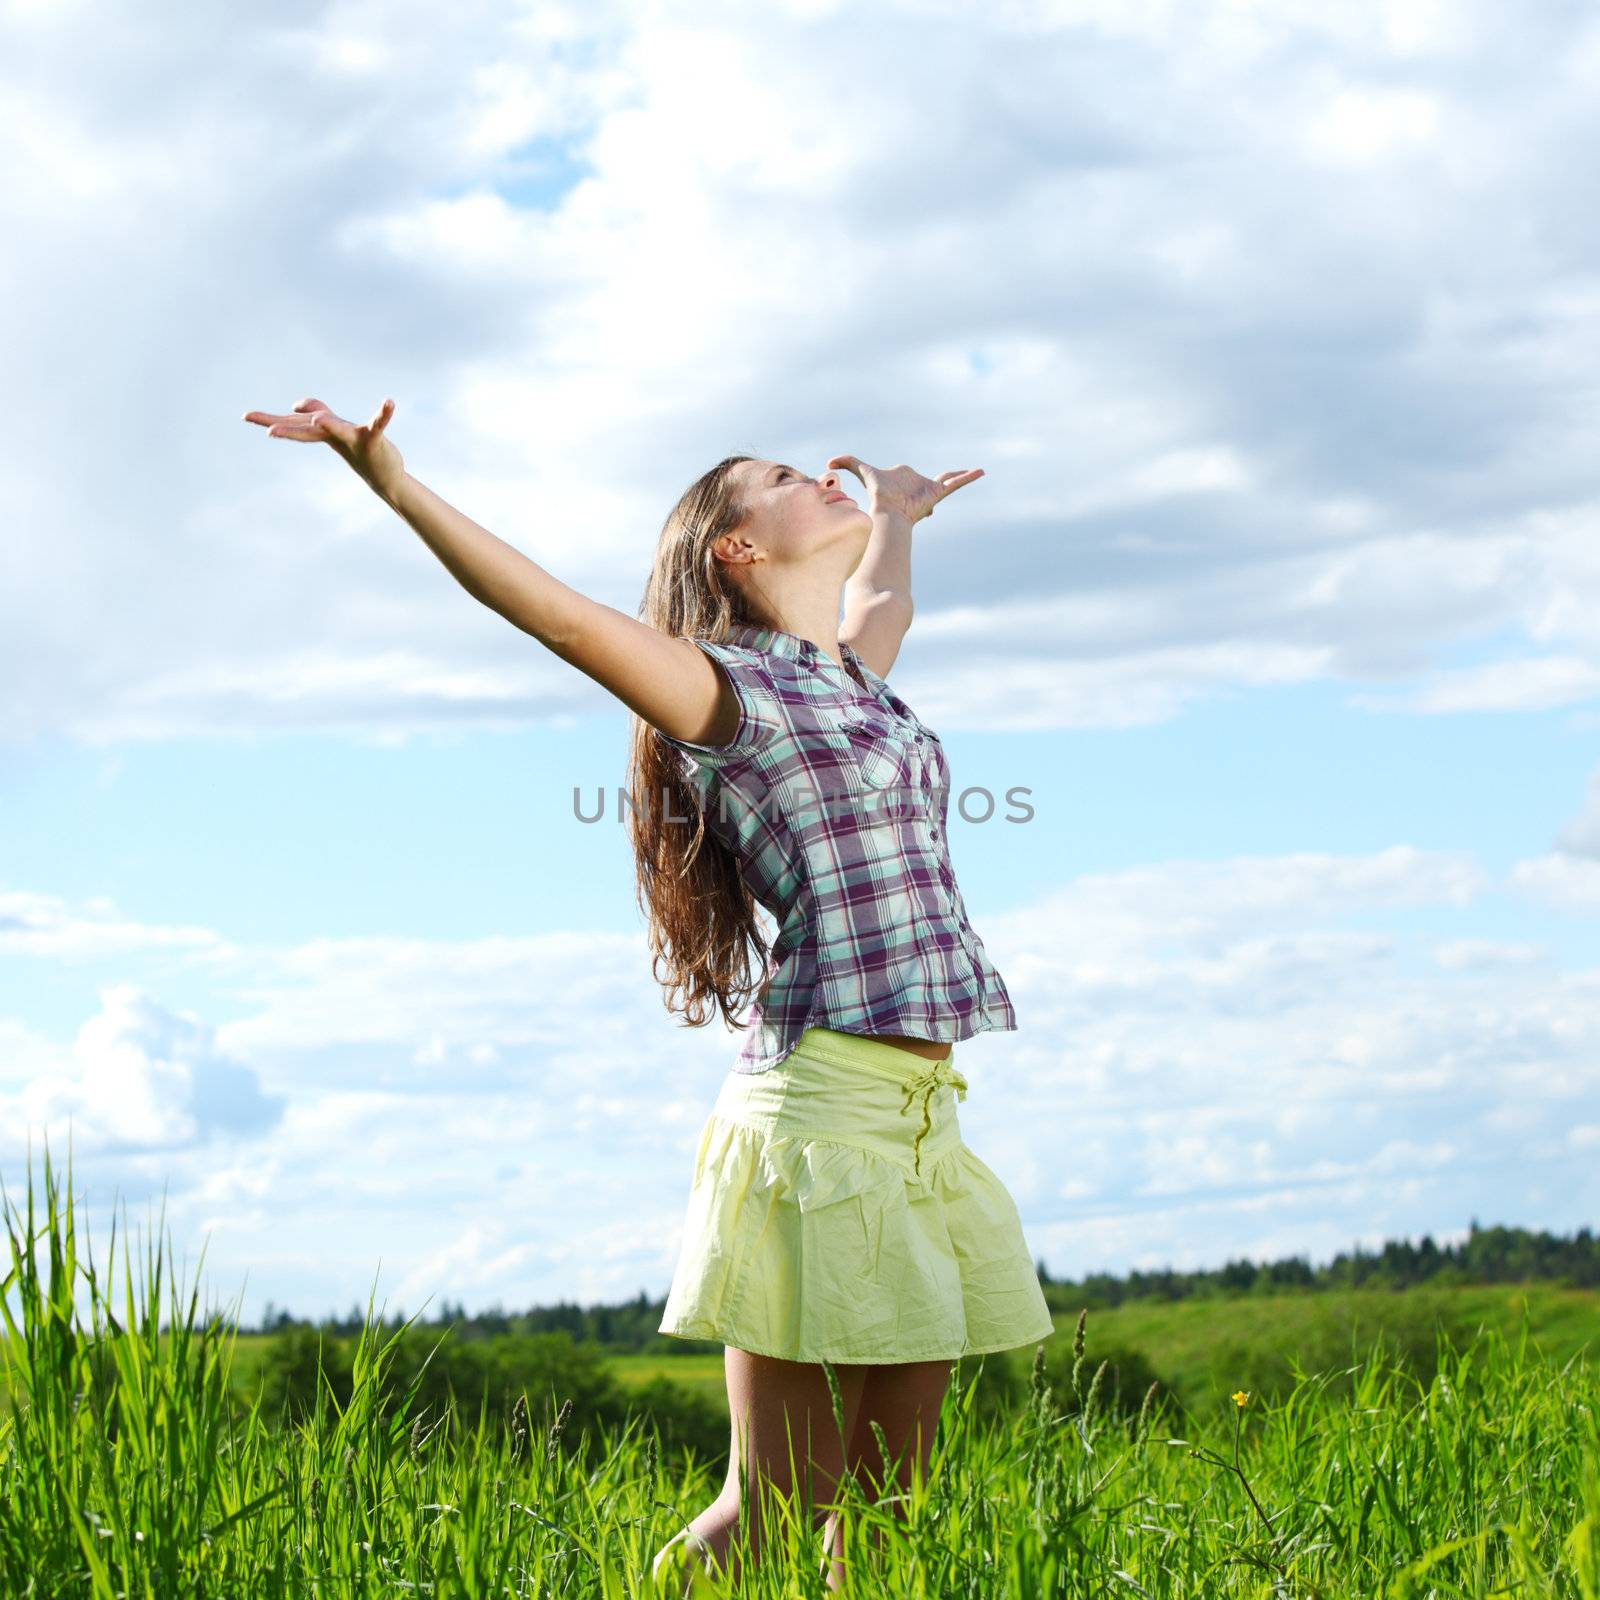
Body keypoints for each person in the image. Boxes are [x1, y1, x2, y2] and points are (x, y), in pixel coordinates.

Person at [241, 395, 1055, 1592]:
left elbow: (883, 603)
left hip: (921, 1123)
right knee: (773, 1512)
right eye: (785, 476)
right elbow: (563, 622)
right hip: (818, 1121)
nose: (812, 473)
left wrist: (897, 511)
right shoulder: (719, 693)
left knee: (884, 1514)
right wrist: (395, 486)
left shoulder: (850, 679)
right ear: (737, 547)